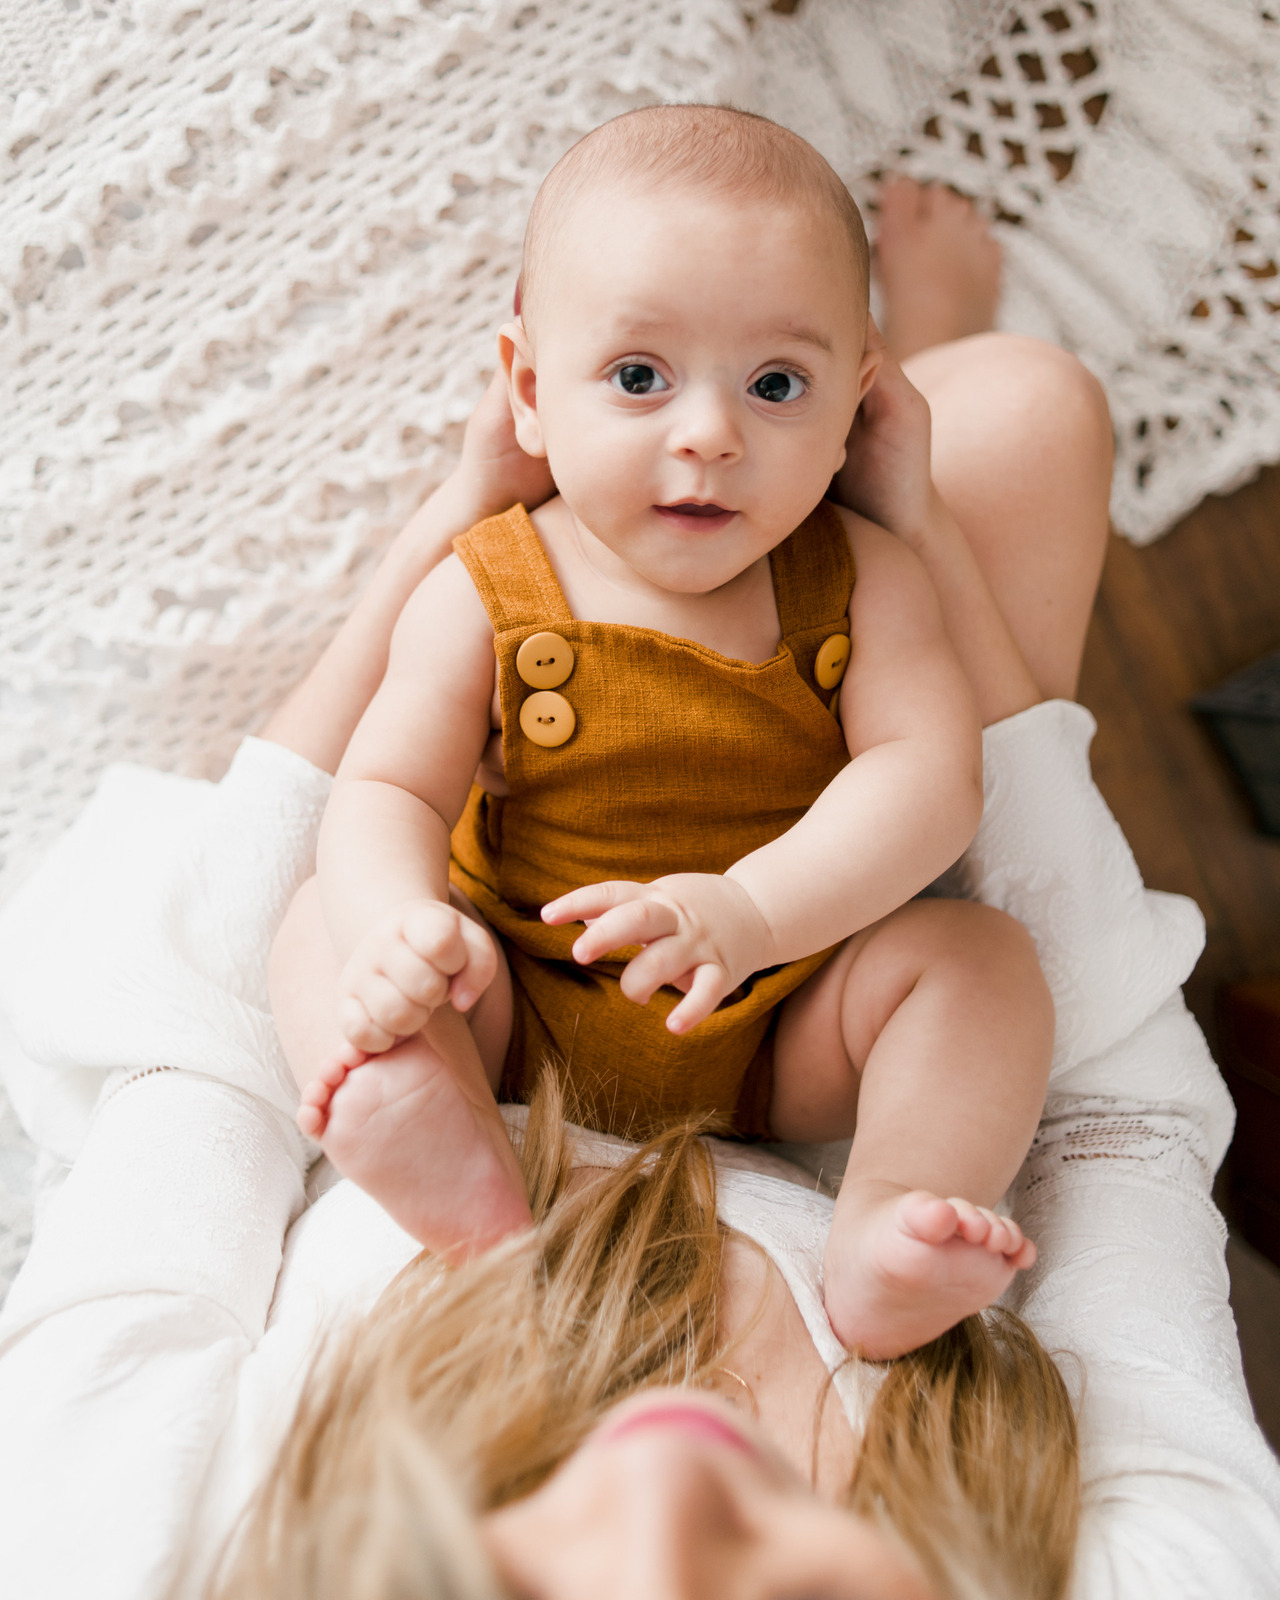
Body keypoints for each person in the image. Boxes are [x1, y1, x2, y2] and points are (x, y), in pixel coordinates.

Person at [267, 106, 1053, 1361]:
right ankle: (454, 1160)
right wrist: (396, 931)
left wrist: (749, 914)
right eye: (638, 378)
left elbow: (928, 781)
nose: (709, 434)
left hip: (774, 1021)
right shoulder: (487, 585)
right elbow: (384, 792)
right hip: (512, 1001)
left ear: (854, 406)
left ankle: (888, 1211)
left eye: (776, 386)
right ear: (528, 391)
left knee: (981, 964)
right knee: (315, 920)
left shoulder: (861, 576)